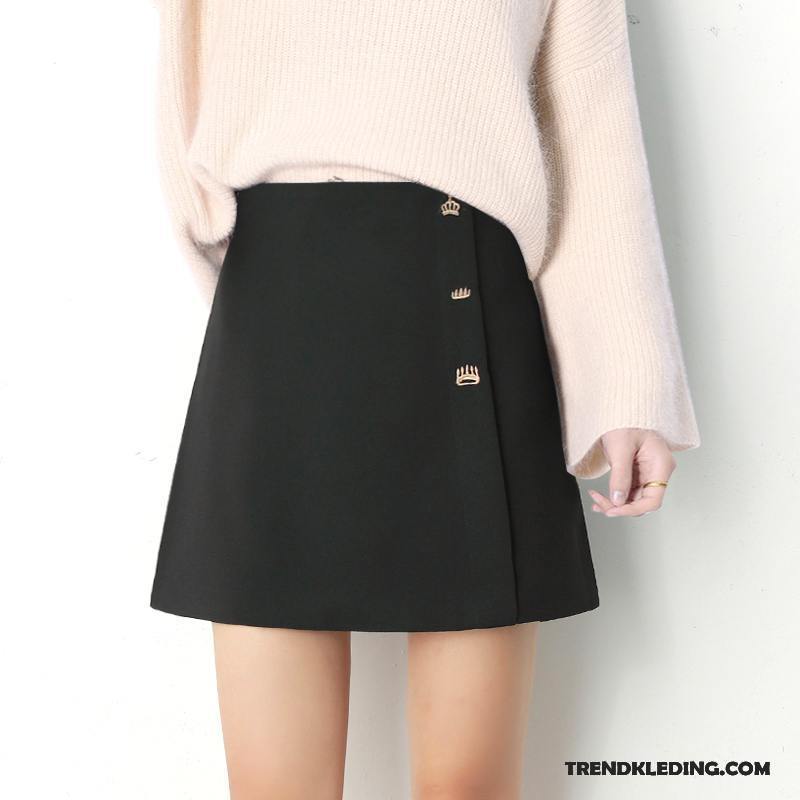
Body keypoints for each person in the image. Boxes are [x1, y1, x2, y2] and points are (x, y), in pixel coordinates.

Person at [147, 1, 701, 797]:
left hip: (465, 294)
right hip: (278, 317)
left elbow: (589, 124)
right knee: (274, 787)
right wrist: (258, 315)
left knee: (465, 785)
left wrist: (627, 382)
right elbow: (183, 99)